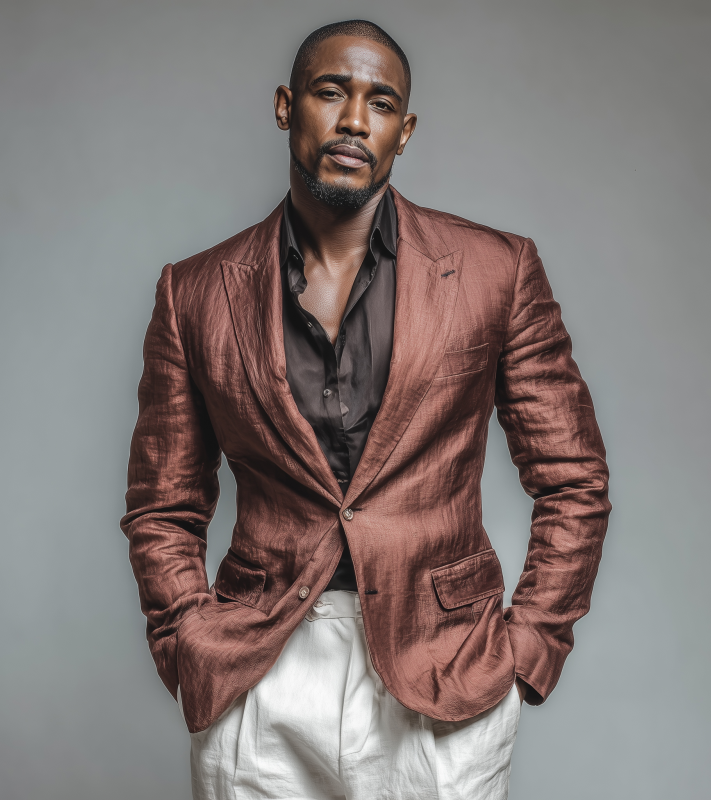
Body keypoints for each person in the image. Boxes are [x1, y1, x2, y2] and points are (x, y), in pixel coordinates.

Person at [121, 19, 611, 800]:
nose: (354, 120)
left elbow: (573, 477)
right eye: (331, 92)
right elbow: (162, 502)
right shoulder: (195, 292)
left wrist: (529, 647)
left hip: (447, 667)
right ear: (286, 107)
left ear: (403, 132)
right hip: (260, 670)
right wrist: (188, 640)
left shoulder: (496, 270)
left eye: (381, 103)